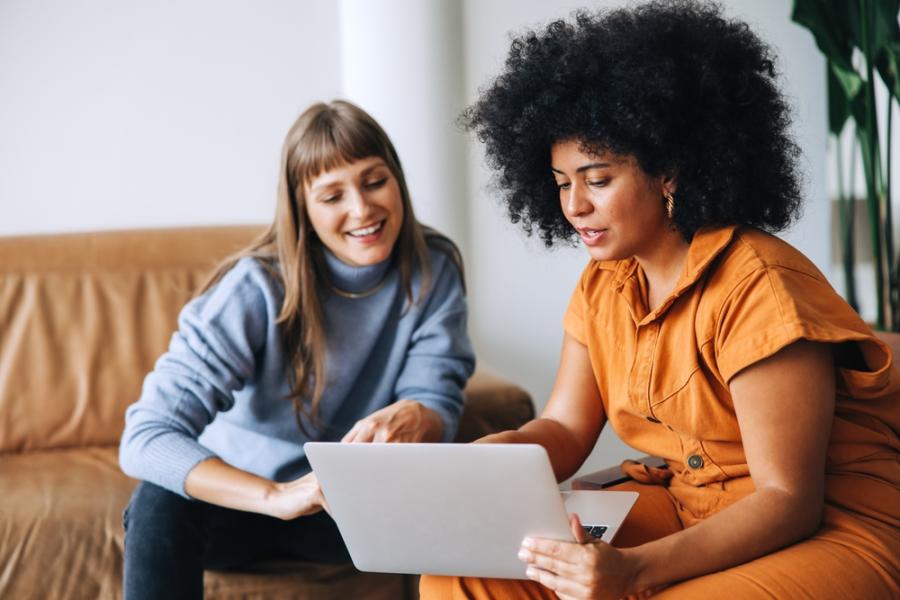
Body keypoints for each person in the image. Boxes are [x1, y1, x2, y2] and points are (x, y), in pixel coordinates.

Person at [421, 2, 900, 599]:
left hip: (829, 527)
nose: (574, 207)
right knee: (460, 576)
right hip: (683, 505)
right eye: (562, 183)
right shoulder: (603, 282)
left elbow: (787, 500)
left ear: (669, 171)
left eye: (597, 180)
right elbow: (567, 428)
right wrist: (491, 457)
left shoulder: (760, 286)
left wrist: (634, 572)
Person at [119, 100, 475, 599]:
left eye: (374, 181)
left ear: (397, 179)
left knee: (470, 502)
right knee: (157, 502)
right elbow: (145, 437)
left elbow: (438, 398)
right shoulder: (255, 287)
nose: (362, 209)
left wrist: (422, 413)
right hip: (240, 506)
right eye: (332, 195)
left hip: (346, 508)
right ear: (302, 207)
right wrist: (275, 495)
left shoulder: (433, 267)